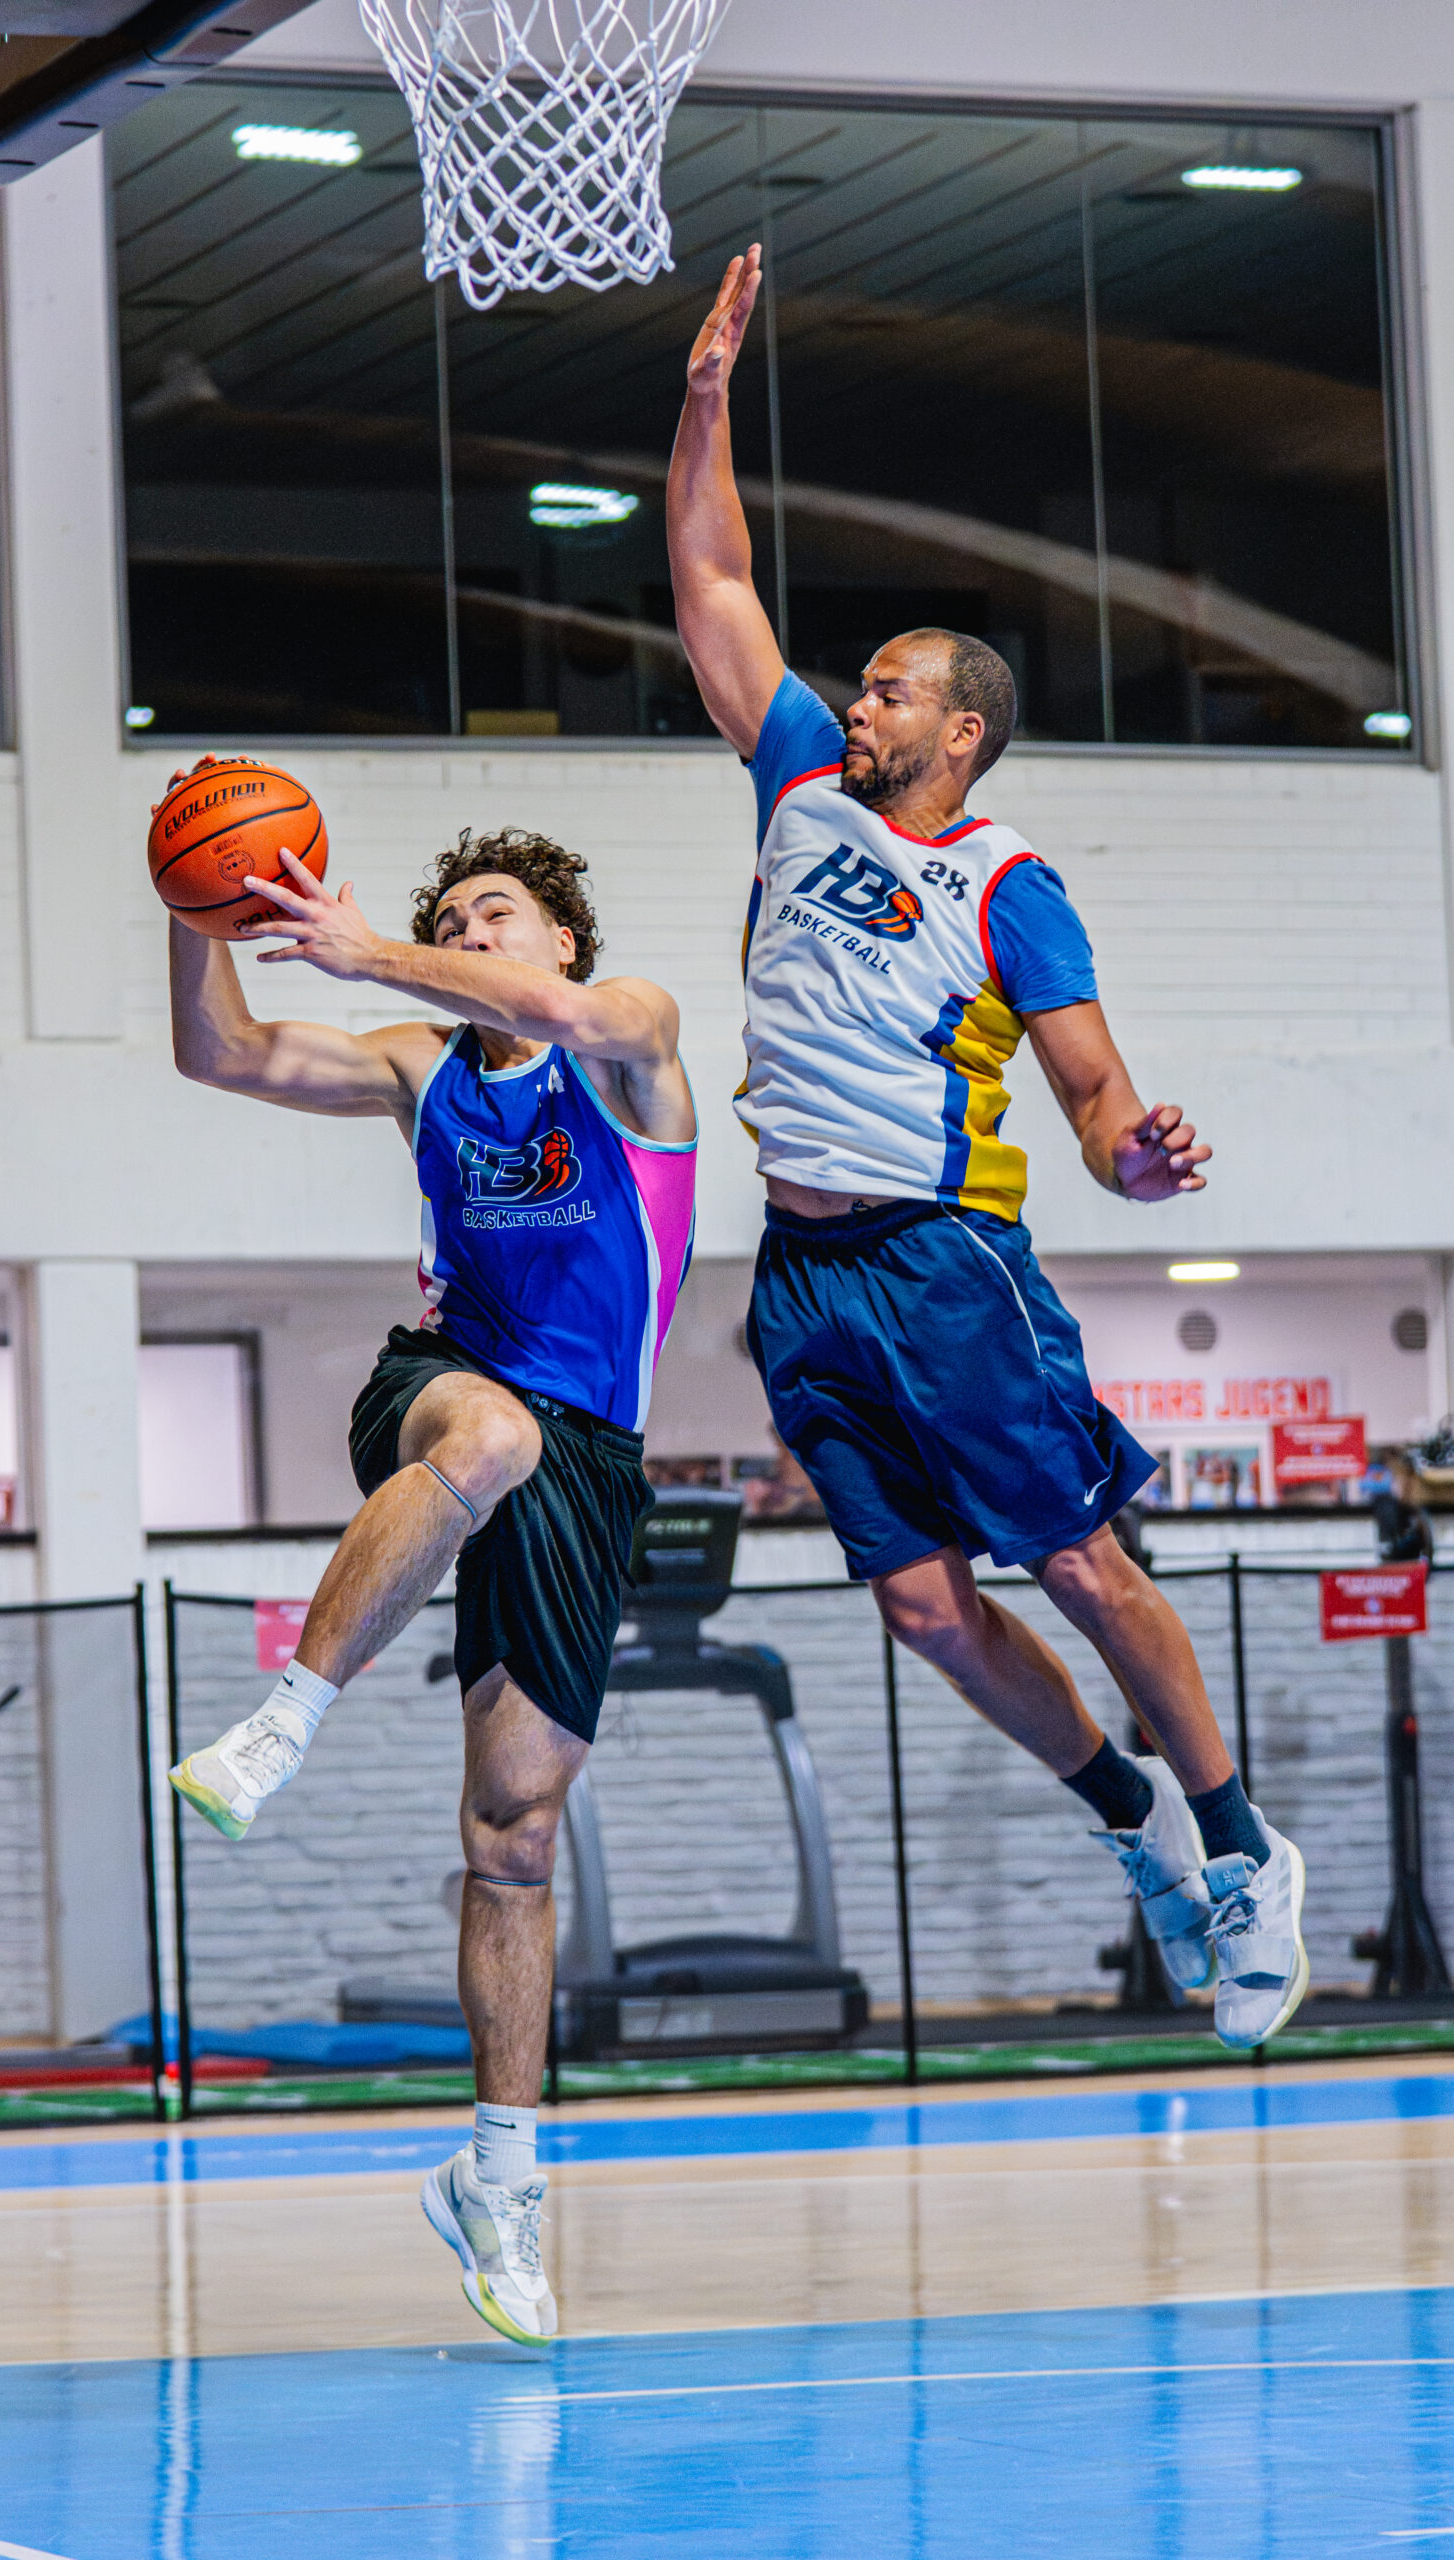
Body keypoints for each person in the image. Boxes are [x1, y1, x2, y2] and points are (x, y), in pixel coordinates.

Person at [665, 245, 1307, 2048]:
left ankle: (1243, 1850)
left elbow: (1096, 1096)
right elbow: (712, 579)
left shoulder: (1008, 885)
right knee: (927, 1612)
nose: (854, 701)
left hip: (945, 1261)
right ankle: (1133, 1821)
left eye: (888, 689)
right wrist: (705, 403)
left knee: (1082, 1567)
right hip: (804, 1277)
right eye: (855, 684)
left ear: (960, 730)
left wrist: (1138, 1159)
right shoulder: (797, 778)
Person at [164, 808, 697, 2339]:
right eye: (449, 921)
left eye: (493, 916)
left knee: (515, 1829)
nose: (467, 936)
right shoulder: (423, 1070)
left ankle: (498, 2179)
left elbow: (579, 1017)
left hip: (593, 1455)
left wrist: (371, 949)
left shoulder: (632, 1042)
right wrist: (194, 905)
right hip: (445, 1385)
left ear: (561, 939)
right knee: (491, 1434)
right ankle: (281, 1726)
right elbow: (223, 1053)